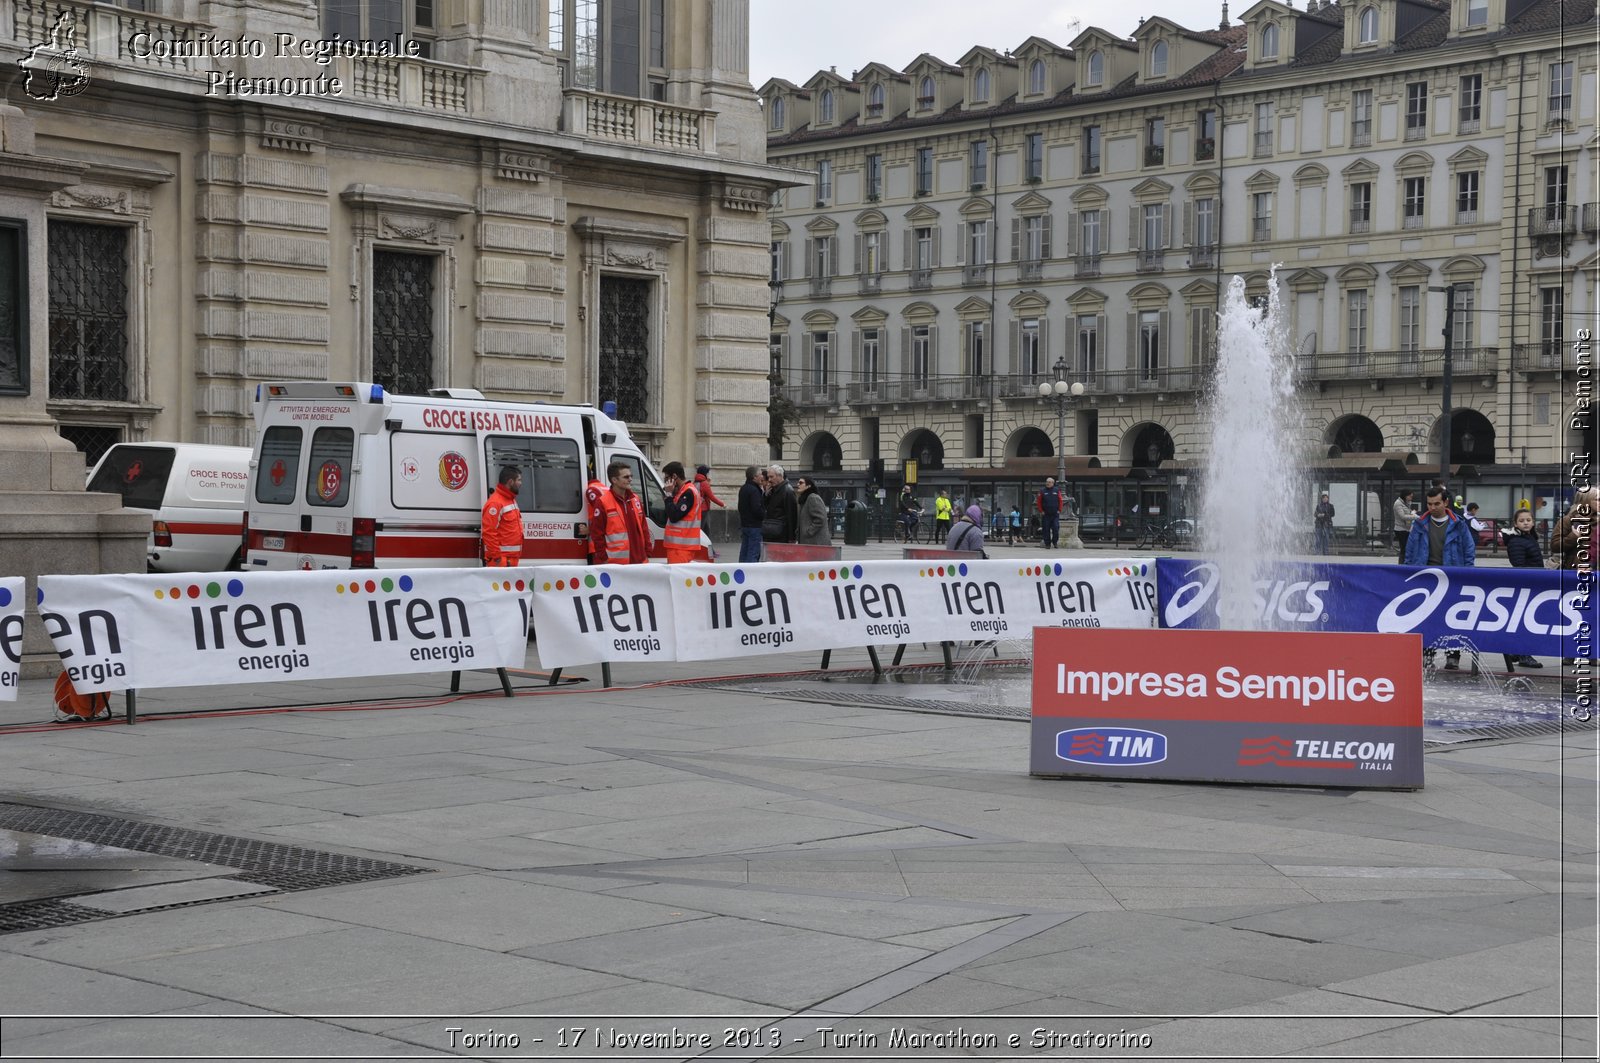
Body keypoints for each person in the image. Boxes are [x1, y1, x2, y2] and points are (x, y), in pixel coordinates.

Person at [1403, 485, 1475, 669]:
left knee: (1452, 618)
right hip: (1426, 578)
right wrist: (1410, 572)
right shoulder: (1419, 524)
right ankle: (1427, 654)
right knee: (1426, 618)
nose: (1432, 507)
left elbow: (1469, 550)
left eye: (1436, 503)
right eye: (1429, 504)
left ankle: (1453, 656)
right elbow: (1409, 551)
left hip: (1453, 577)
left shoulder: (1459, 524)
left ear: (1446, 502)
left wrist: (1468, 573)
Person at [1501, 508, 1544, 671]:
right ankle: (1524, 654)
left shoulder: (1530, 537)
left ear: (1533, 522)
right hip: (1526, 584)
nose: (1526, 523)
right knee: (1524, 621)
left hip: (1533, 583)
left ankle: (1517, 652)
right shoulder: (1517, 540)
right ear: (1515, 524)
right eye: (1522, 520)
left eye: (1528, 520)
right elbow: (1519, 564)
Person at [585, 459, 651, 565]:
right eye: (626, 477)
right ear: (614, 480)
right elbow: (597, 534)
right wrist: (604, 558)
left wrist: (647, 551)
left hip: (640, 561)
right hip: (615, 563)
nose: (630, 479)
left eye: (630, 476)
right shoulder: (603, 502)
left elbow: (644, 528)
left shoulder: (635, 499)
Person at [661, 461, 704, 564]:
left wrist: (668, 495)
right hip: (679, 546)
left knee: (677, 578)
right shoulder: (683, 491)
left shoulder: (688, 492)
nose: (666, 482)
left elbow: (674, 515)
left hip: (681, 547)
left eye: (667, 478)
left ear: (675, 476)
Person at [480, 466, 524, 567]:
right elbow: (488, 532)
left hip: (509, 560)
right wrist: (498, 558)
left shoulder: (510, 499)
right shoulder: (495, 503)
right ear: (510, 482)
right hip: (501, 562)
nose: (521, 483)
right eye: (519, 480)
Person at [763, 464, 799, 544]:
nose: (769, 480)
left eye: (772, 477)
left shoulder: (788, 491)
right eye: (768, 477)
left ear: (780, 476)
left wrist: (791, 538)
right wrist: (766, 495)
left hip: (782, 534)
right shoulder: (773, 490)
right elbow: (765, 507)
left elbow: (792, 516)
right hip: (772, 531)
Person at [737, 465, 766, 563]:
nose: (762, 477)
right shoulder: (754, 490)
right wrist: (764, 515)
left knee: (744, 552)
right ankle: (750, 576)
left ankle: (741, 573)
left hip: (745, 524)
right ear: (754, 477)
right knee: (753, 553)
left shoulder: (744, 488)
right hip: (755, 526)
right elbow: (756, 509)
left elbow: (740, 507)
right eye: (760, 474)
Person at [795, 475, 831, 546]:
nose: (798, 484)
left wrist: (808, 532)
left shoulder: (813, 498)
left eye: (801, 483)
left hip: (816, 542)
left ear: (808, 486)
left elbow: (820, 519)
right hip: (809, 542)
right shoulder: (805, 499)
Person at [1037, 477, 1062, 550]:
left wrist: (1059, 510)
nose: (1047, 483)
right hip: (1046, 514)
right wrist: (1041, 511)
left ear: (1053, 483)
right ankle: (1047, 544)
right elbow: (1039, 502)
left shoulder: (1057, 490)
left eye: (1049, 482)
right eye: (1047, 482)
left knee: (1056, 528)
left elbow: (1060, 500)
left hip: (1055, 514)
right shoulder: (1042, 491)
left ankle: (1055, 542)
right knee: (1046, 529)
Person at [1392, 489, 1415, 563]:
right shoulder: (1398, 503)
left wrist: (1412, 512)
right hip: (1401, 529)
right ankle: (1402, 564)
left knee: (1406, 548)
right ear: (1406, 496)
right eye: (1410, 496)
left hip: (1406, 528)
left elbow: (1407, 512)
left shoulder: (1406, 503)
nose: (1411, 498)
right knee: (1404, 548)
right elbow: (1402, 516)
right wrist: (1415, 517)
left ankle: (1404, 562)